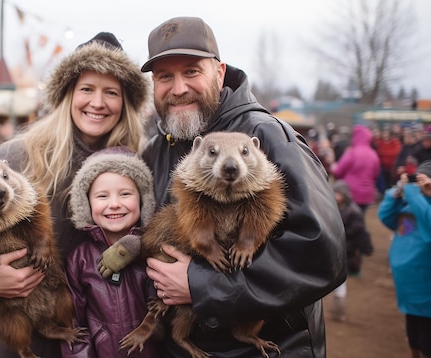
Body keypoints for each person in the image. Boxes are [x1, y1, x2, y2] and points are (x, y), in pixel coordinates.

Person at [137, 17, 346, 357]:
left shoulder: (268, 135)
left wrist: (203, 286)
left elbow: (323, 255)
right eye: (165, 76)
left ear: (218, 73)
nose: (178, 88)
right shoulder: (157, 148)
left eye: (191, 71)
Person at [0, 31, 149, 358]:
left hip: (84, 327)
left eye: (111, 92)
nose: (97, 102)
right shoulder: (19, 155)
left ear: (126, 102)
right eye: (86, 89)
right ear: (68, 94)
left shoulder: (136, 163)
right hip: (12, 327)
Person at [62, 146, 160, 358]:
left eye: (125, 194)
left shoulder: (153, 250)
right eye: (102, 196)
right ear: (86, 203)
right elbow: (72, 322)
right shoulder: (80, 258)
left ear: (143, 199)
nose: (114, 204)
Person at [377, 160, 431, 358]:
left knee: (427, 336)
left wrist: (418, 194)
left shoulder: (421, 205)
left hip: (426, 287)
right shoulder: (410, 205)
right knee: (413, 329)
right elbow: (385, 216)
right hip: (408, 285)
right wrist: (398, 191)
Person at [328, 180, 373, 322]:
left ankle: (339, 306)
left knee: (341, 279)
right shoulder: (333, 206)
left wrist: (341, 234)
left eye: (338, 193)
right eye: (334, 192)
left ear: (345, 195)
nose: (335, 195)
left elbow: (359, 231)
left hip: (347, 250)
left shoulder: (354, 211)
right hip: (335, 248)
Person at [329, 124, 381, 214]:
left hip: (351, 192)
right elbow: (376, 174)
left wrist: (332, 164)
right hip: (367, 194)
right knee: (360, 218)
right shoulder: (374, 154)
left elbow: (338, 171)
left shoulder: (352, 152)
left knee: (348, 220)